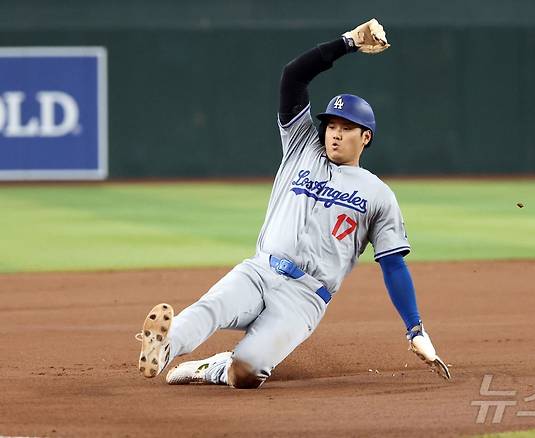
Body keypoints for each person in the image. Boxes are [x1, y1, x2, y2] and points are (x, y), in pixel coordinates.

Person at [136, 19, 450, 389]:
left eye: (345, 127)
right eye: (331, 124)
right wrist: (348, 42)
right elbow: (293, 76)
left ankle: (215, 368)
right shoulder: (303, 147)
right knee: (212, 307)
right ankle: (163, 347)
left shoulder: (377, 194)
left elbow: (393, 265)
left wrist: (414, 327)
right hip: (261, 270)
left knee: (246, 373)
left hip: (305, 297)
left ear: (365, 136)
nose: (334, 132)